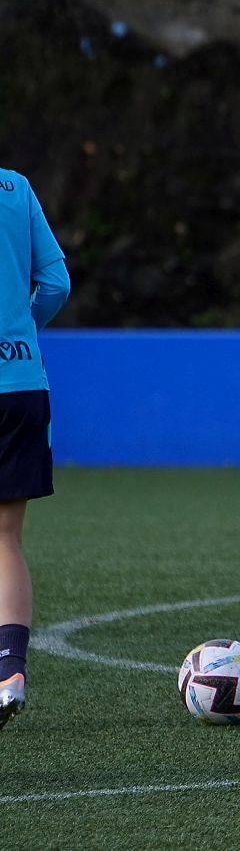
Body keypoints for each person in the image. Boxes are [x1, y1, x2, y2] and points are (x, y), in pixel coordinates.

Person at [0, 167, 71, 731]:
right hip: (21, 380)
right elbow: (56, 284)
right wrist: (23, 327)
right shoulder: (16, 186)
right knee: (5, 538)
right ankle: (9, 674)